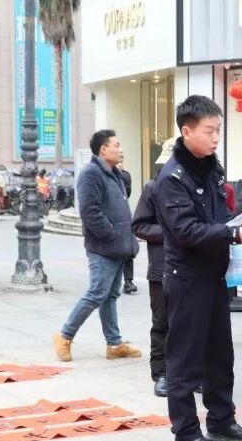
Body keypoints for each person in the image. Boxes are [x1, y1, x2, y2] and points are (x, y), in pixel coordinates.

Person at [155, 95, 242, 441]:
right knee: (185, 359)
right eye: (209, 131)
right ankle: (186, 432)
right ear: (186, 131)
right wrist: (233, 234)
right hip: (186, 278)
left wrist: (240, 224)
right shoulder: (172, 178)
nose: (216, 137)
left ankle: (221, 420)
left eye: (218, 130)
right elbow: (186, 230)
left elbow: (218, 219)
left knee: (220, 354)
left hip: (215, 275)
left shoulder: (212, 170)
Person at [52, 130, 143, 363]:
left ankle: (114, 344)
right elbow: (90, 211)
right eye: (117, 145)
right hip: (103, 247)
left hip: (119, 246)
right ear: (103, 149)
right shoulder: (91, 174)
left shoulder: (115, 174)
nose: (121, 149)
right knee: (97, 293)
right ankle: (65, 336)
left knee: (110, 295)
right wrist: (111, 235)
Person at [131, 167, 168, 398]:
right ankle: (162, 373)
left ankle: (191, 373)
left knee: (193, 325)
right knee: (162, 323)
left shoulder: (199, 186)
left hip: (195, 269)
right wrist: (171, 232)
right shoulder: (153, 188)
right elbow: (139, 226)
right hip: (162, 268)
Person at [116, 161, 138, 295]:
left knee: (128, 250)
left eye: (122, 159)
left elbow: (127, 194)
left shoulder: (125, 175)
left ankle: (128, 281)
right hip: (110, 218)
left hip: (124, 214)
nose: (120, 163)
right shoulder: (100, 176)